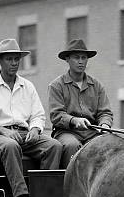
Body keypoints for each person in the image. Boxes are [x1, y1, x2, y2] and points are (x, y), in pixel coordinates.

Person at [0, 38, 62, 197]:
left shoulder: (27, 86)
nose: (14, 63)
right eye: (9, 59)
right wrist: (4, 131)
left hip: (25, 134)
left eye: (16, 59)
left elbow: (38, 114)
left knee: (54, 146)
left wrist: (36, 129)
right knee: (11, 146)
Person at [48, 38, 113, 167]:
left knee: (110, 144)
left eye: (84, 58)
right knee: (72, 145)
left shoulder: (96, 85)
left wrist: (105, 125)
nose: (81, 61)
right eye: (76, 57)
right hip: (66, 133)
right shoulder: (56, 85)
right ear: (67, 59)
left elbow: (105, 112)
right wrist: (74, 120)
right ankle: (70, 184)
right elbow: (56, 115)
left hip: (92, 133)